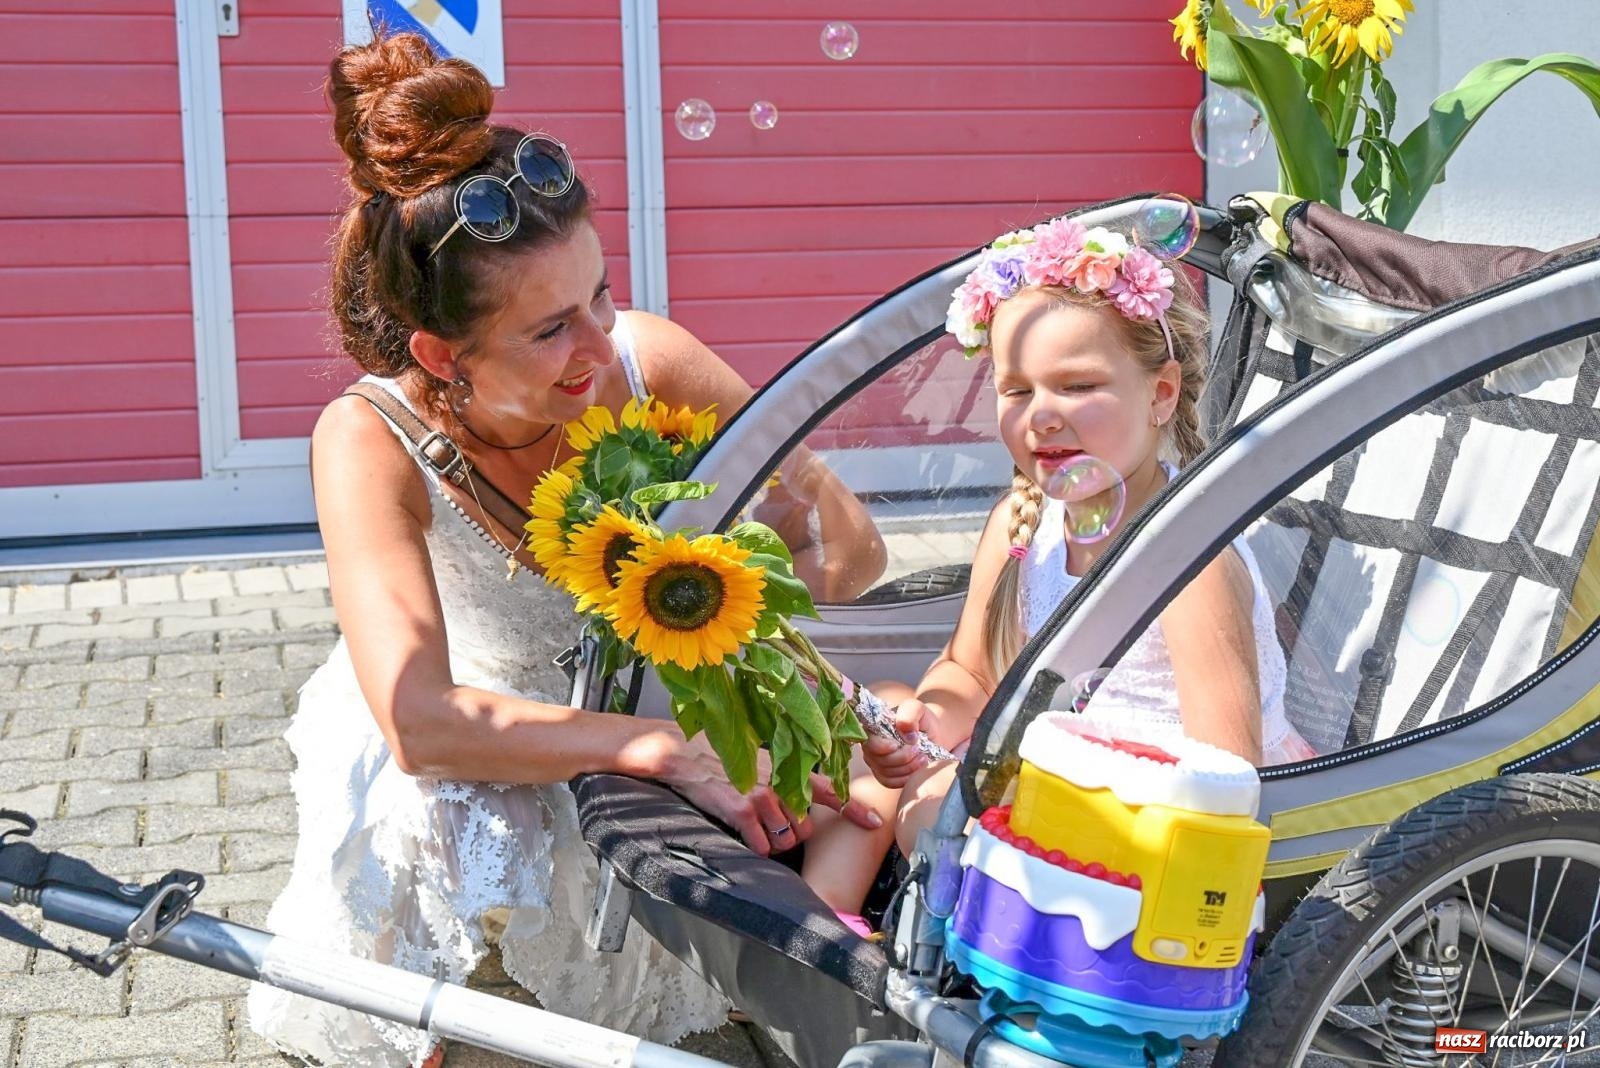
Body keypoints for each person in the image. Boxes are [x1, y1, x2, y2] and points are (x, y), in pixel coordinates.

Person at [247, 33, 886, 1068]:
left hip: (661, 700)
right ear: (442, 358)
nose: (600, 344)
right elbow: (420, 720)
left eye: (598, 293)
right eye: (548, 332)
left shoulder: (651, 357)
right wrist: (657, 751)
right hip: (483, 731)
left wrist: (757, 618)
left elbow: (853, 552)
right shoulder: (369, 439)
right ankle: (471, 1020)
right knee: (437, 827)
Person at [853, 217, 1318, 862]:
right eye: (1017, 390)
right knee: (908, 752)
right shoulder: (1021, 523)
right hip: (1064, 775)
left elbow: (1225, 781)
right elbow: (970, 671)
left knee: (939, 814)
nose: (1042, 414)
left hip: (1157, 819)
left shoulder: (1185, 559)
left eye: (1078, 386)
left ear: (1161, 394)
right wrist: (931, 721)